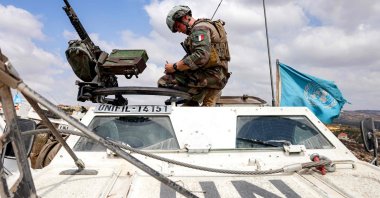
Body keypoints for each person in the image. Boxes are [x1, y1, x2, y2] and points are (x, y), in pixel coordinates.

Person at [158, 5, 231, 106]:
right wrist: (178, 67)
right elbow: (194, 58)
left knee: (164, 81)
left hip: (211, 76)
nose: (179, 31)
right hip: (217, 77)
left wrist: (174, 67)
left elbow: (201, 55)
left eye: (178, 26)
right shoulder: (204, 26)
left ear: (185, 17)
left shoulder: (200, 28)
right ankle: (199, 97)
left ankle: (199, 95)